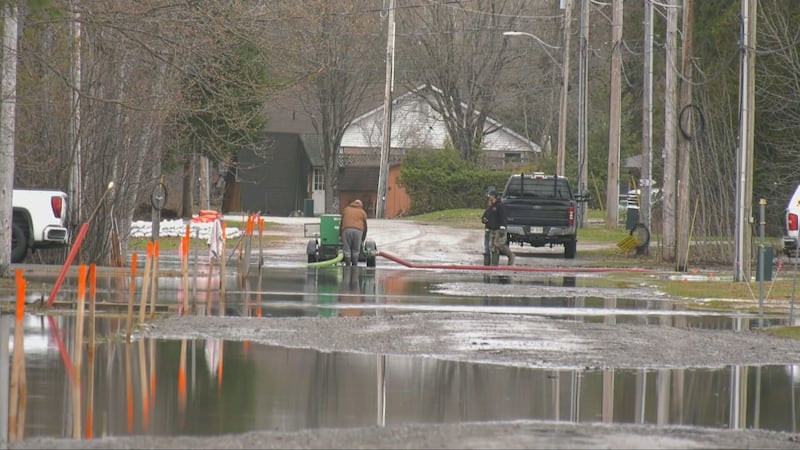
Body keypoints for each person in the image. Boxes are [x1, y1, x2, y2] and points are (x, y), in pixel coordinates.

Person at [481, 191, 514, 266]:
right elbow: (485, 217)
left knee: (498, 245)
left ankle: (511, 256)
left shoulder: (500, 206)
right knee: (493, 247)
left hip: (499, 229)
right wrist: (484, 220)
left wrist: (502, 227)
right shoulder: (490, 207)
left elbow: (503, 217)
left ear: (495, 197)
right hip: (491, 229)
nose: (489, 198)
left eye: (491, 196)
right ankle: (494, 265)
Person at [339, 199, 368, 266]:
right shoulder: (362, 212)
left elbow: (341, 222)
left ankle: (347, 265)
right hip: (358, 231)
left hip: (346, 230)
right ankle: (354, 265)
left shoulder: (346, 209)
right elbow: (365, 226)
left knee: (347, 249)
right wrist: (363, 238)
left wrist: (340, 234)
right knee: (356, 250)